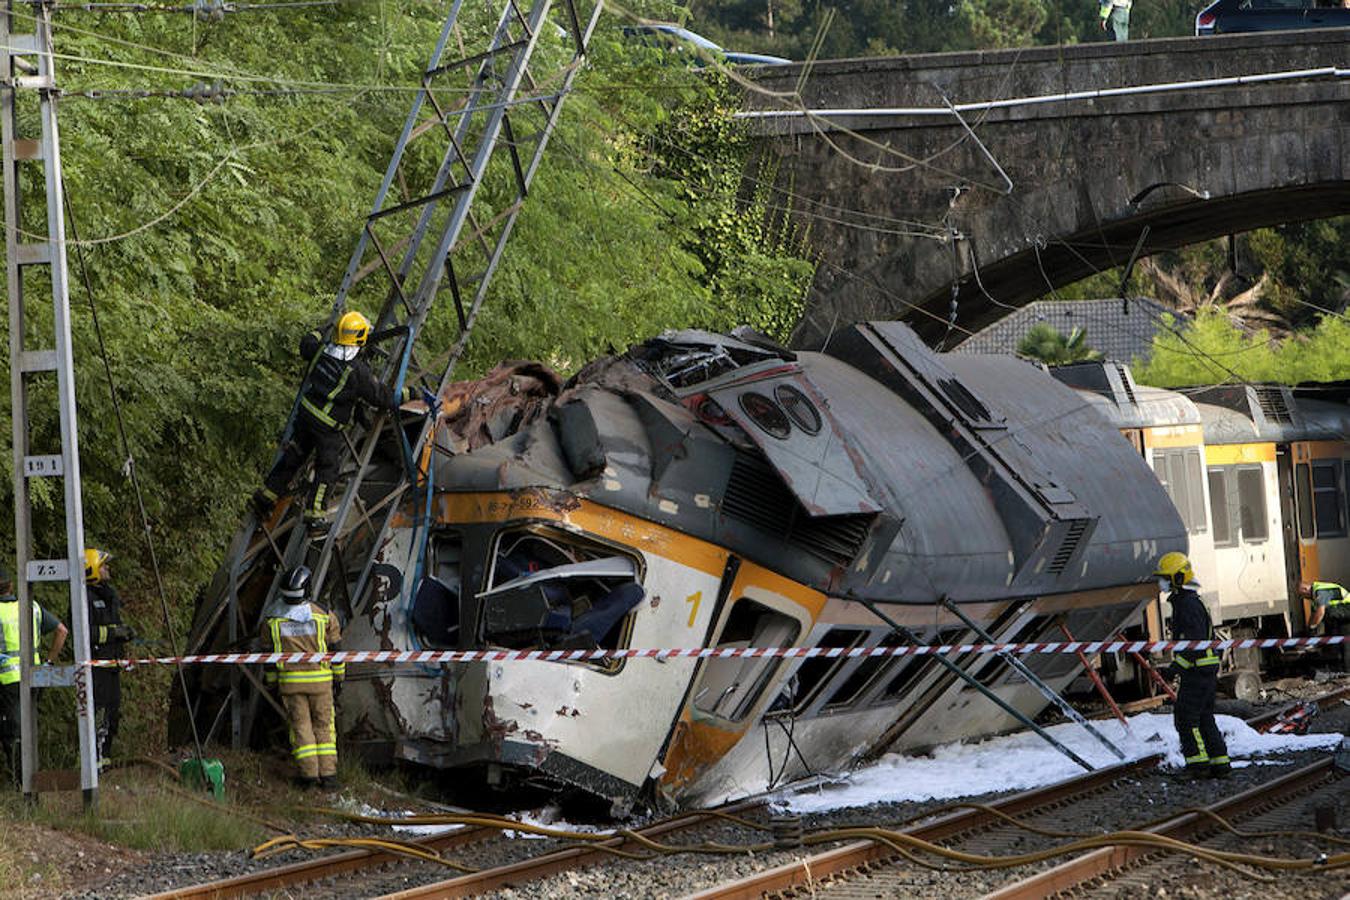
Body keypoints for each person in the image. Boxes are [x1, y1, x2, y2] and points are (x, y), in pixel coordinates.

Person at [253, 311, 413, 527]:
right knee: (327, 469)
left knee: (294, 456)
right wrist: (410, 394)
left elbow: (306, 342)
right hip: (327, 428)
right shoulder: (356, 371)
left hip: (305, 416)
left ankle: (265, 497)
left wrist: (321, 330)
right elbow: (381, 397)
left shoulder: (320, 352)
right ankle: (314, 514)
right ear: (358, 337)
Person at [261, 565, 344, 789]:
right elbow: (336, 649)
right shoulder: (324, 614)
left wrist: (271, 682)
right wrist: (339, 678)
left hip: (290, 684)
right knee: (324, 726)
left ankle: (308, 776)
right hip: (321, 682)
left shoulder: (272, 618)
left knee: (301, 727)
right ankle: (328, 776)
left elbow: (268, 656)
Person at [1154, 552, 1230, 778]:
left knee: (1186, 718)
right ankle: (1220, 763)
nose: (1162, 582)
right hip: (1203, 669)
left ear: (1178, 578)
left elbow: (1193, 644)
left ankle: (1198, 765)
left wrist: (1174, 669)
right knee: (1205, 717)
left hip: (1197, 670)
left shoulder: (1186, 605)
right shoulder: (1189, 601)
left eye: (1165, 577)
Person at [0, 568, 68, 780]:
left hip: (7, 681)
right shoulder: (32, 608)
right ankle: (26, 781)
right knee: (26, 730)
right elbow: (62, 631)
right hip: (34, 677)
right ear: (11, 586)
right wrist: (48, 662)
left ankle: (21, 782)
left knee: (12, 733)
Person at [84, 548, 134, 766]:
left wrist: (125, 633)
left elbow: (112, 626)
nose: (107, 569)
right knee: (99, 713)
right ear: (93, 569)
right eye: (103, 566)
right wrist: (114, 634)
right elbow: (86, 632)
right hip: (96, 666)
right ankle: (93, 761)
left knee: (112, 715)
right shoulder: (84, 598)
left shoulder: (108, 595)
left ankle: (104, 758)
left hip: (112, 663)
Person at [1302, 580, 1349, 668]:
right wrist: (1308, 630)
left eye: (1302, 595)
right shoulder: (1314, 598)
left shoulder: (1320, 592)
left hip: (1347, 611)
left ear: (1305, 589)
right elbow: (1313, 615)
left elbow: (1320, 612)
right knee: (1334, 638)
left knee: (1345, 643)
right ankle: (1337, 663)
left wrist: (1312, 627)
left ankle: (1347, 669)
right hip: (1339, 615)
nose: (1303, 598)